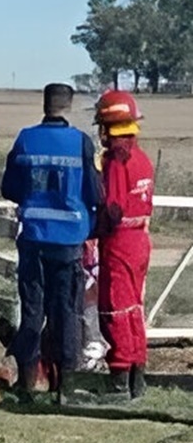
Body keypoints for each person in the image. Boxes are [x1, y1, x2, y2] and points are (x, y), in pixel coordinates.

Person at [1, 83, 101, 397]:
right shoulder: (81, 143)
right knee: (66, 313)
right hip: (69, 241)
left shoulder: (26, 139)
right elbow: (95, 193)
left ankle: (27, 383)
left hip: (33, 237)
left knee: (32, 310)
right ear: (69, 106)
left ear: (45, 105)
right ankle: (66, 386)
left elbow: (10, 188)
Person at [93, 90, 154, 399]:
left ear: (108, 127)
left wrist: (94, 226)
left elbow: (114, 209)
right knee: (133, 310)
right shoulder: (141, 158)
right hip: (140, 239)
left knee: (115, 308)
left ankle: (119, 380)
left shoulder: (118, 161)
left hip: (120, 243)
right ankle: (137, 377)